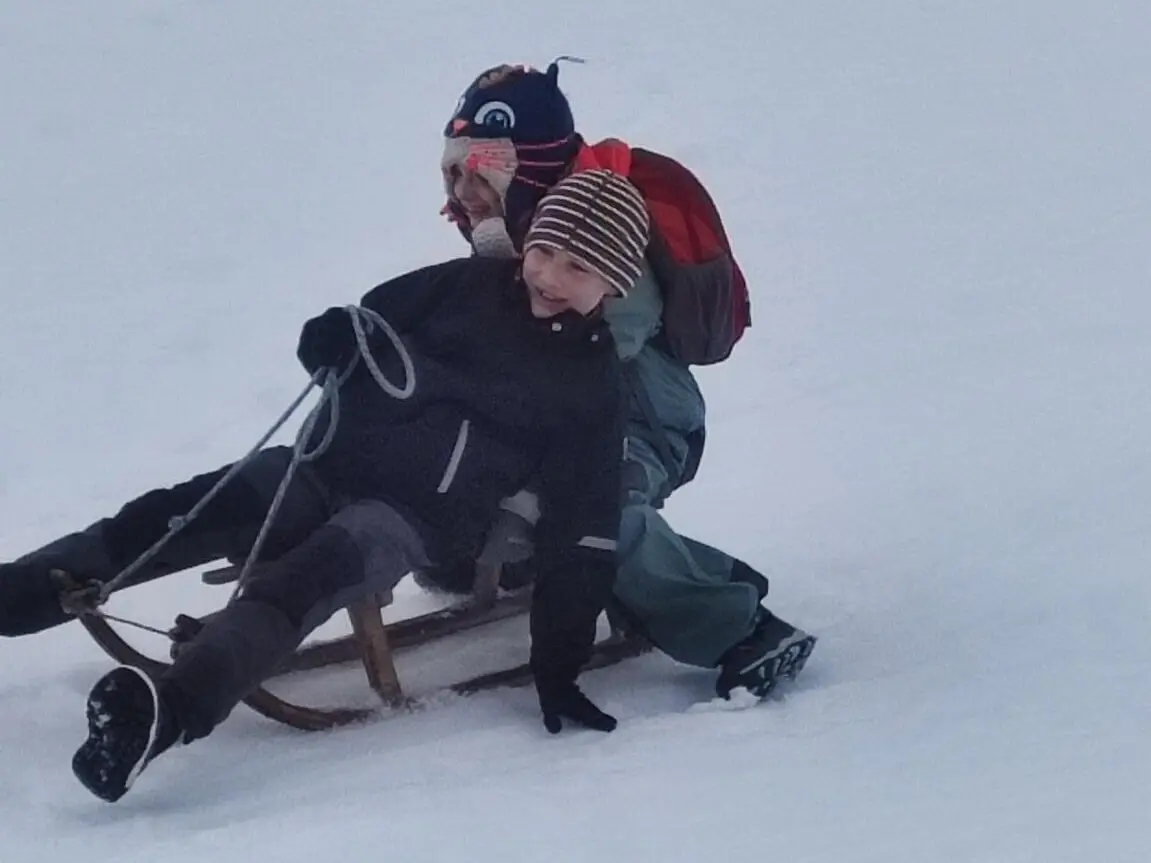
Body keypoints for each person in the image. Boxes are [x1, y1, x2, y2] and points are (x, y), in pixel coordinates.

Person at [0, 170, 648, 802]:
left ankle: (165, 715)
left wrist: (558, 665)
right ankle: (21, 591)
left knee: (298, 582)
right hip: (324, 462)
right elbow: (371, 321)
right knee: (179, 512)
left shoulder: (588, 388)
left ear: (613, 284)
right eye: (544, 250)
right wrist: (333, 336)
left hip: (413, 518)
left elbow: (582, 528)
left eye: (578, 267)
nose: (549, 276)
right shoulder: (464, 286)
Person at [430, 61, 816, 702]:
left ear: (528, 169)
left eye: (483, 173)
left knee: (591, 506)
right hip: (567, 409)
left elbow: (587, 354)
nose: (466, 192)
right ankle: (683, 572)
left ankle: (744, 629)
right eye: (454, 171)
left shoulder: (606, 232)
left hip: (645, 419)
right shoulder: (517, 229)